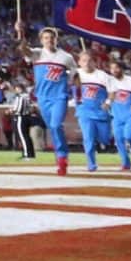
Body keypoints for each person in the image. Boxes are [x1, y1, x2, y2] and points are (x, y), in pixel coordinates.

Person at [18, 23, 76, 177]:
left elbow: (74, 74)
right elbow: (24, 50)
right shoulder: (37, 54)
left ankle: (62, 157)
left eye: (51, 37)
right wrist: (21, 33)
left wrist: (73, 87)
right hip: (43, 98)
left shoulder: (66, 57)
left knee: (56, 125)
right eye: (45, 38)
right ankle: (60, 156)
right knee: (52, 127)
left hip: (60, 96)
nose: (49, 40)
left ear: (56, 39)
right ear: (41, 40)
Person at [74, 49, 113, 173]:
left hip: (101, 112)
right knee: (88, 138)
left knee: (105, 138)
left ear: (95, 62)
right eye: (84, 61)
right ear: (79, 62)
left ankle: (103, 142)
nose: (87, 63)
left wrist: (107, 103)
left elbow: (113, 91)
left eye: (90, 61)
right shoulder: (76, 74)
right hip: (84, 111)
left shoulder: (102, 75)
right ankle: (91, 164)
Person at [107, 56, 131, 171]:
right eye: (112, 68)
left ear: (122, 69)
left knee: (129, 136)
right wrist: (107, 102)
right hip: (117, 115)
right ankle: (126, 163)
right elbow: (112, 95)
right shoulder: (110, 81)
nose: (114, 71)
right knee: (118, 139)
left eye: (116, 68)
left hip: (130, 115)